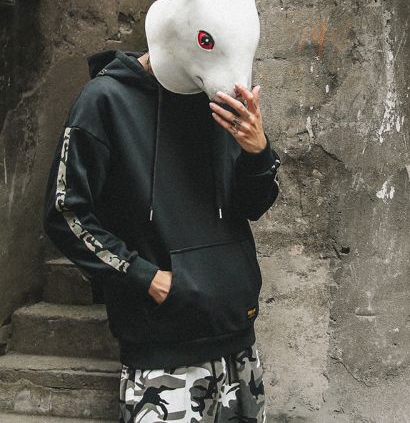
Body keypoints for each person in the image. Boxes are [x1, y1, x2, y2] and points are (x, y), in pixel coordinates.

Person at [43, 46, 280, 422]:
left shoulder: (215, 95)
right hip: (161, 354)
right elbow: (65, 212)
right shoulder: (104, 100)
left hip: (238, 341)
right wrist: (146, 277)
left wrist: (258, 152)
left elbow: (253, 205)